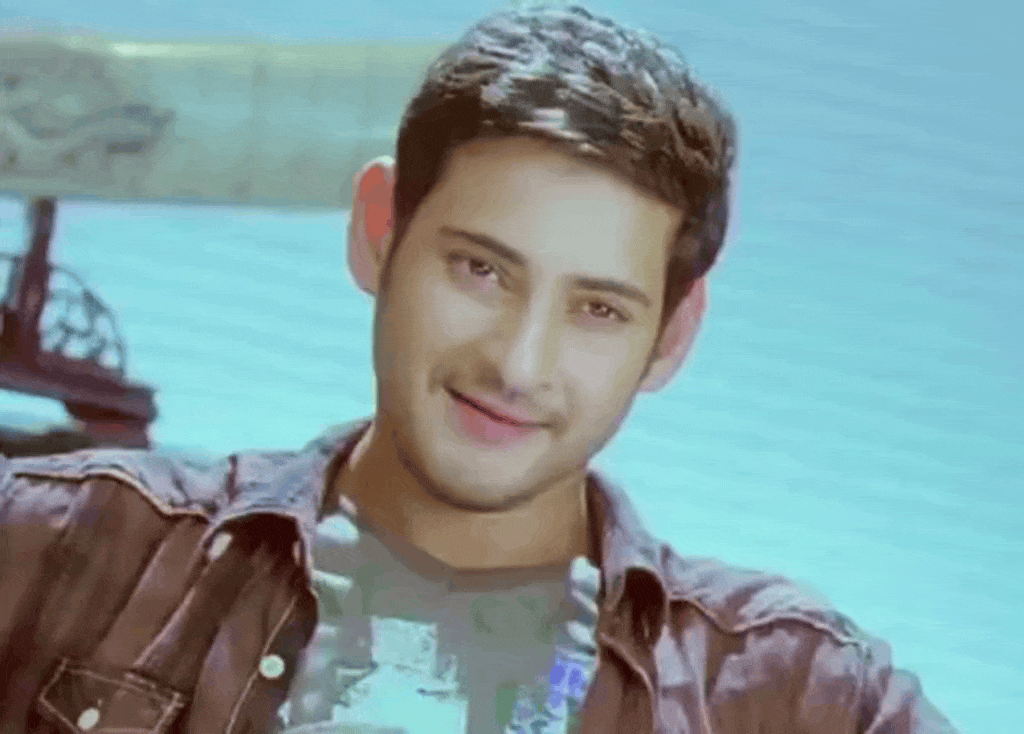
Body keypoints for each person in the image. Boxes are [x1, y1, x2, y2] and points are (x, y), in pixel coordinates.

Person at [0, 4, 959, 733]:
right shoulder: (52, 547)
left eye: (597, 308)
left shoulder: (802, 697)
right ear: (379, 230)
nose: (517, 362)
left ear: (672, 335)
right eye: (480, 270)